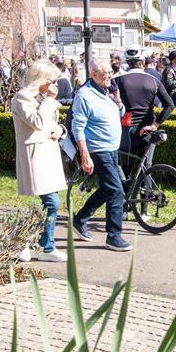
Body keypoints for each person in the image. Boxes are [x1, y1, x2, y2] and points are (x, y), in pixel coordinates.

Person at [10, 60, 69, 263]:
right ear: (41, 79)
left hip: (48, 152)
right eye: (51, 80)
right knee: (52, 202)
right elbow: (37, 122)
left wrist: (61, 130)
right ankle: (29, 240)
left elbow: (51, 124)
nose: (55, 85)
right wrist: (50, 100)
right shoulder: (22, 97)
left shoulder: (43, 98)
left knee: (50, 202)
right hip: (34, 155)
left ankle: (37, 243)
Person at [70, 59, 131, 251]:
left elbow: (118, 113)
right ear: (93, 74)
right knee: (116, 190)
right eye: (105, 73)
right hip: (98, 149)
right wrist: (84, 155)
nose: (109, 77)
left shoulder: (106, 91)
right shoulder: (85, 95)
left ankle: (80, 220)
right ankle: (113, 236)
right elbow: (77, 127)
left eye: (110, 73)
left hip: (111, 148)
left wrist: (118, 101)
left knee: (107, 189)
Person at [115, 45, 174, 174]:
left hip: (126, 130)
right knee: (146, 169)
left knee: (125, 171)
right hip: (147, 129)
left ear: (127, 62)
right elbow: (170, 105)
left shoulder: (117, 81)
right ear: (142, 62)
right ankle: (146, 192)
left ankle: (127, 193)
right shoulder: (153, 80)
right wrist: (155, 125)